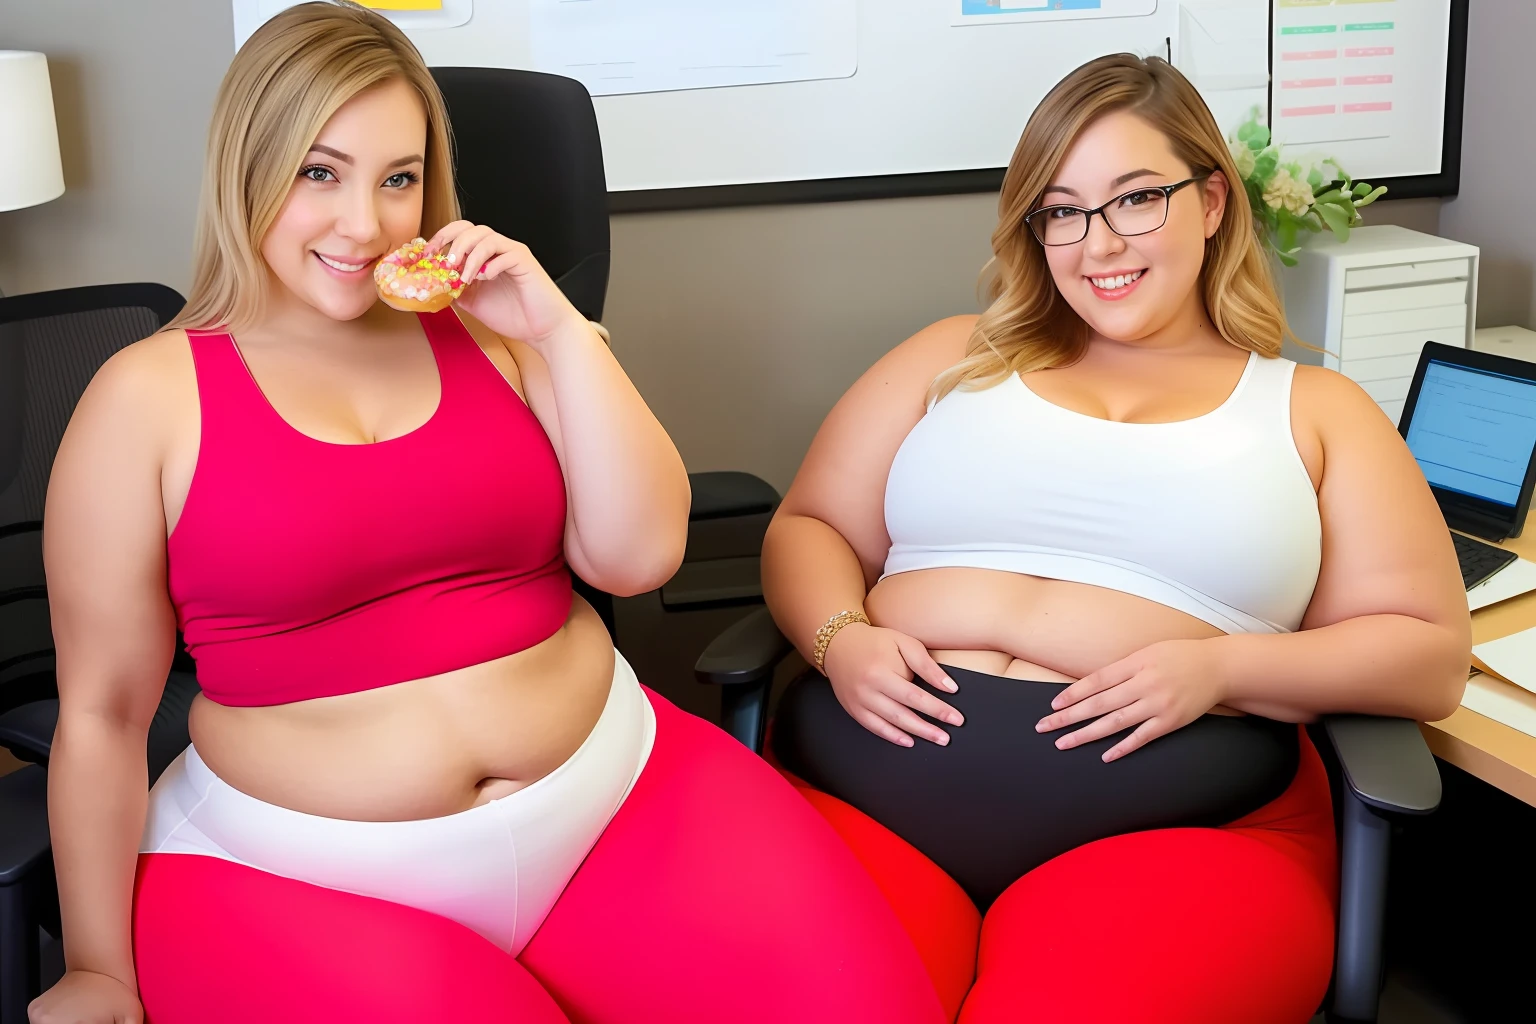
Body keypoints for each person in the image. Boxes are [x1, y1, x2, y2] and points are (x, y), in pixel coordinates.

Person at [27, 4, 946, 1023]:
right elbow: (105, 714)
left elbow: (640, 555)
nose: (365, 223)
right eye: (319, 172)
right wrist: (97, 967)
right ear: (248, 168)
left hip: (611, 796)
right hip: (302, 870)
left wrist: (559, 327)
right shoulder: (143, 397)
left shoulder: (504, 340)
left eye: (400, 178)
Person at [761, 54, 1470, 1024]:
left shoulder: (1314, 410)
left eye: (1137, 199)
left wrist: (1219, 668)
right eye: (1061, 210)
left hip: (1175, 834)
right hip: (867, 803)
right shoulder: (952, 357)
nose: (1099, 244)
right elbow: (807, 527)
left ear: (1213, 200)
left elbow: (1428, 656)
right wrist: (841, 638)